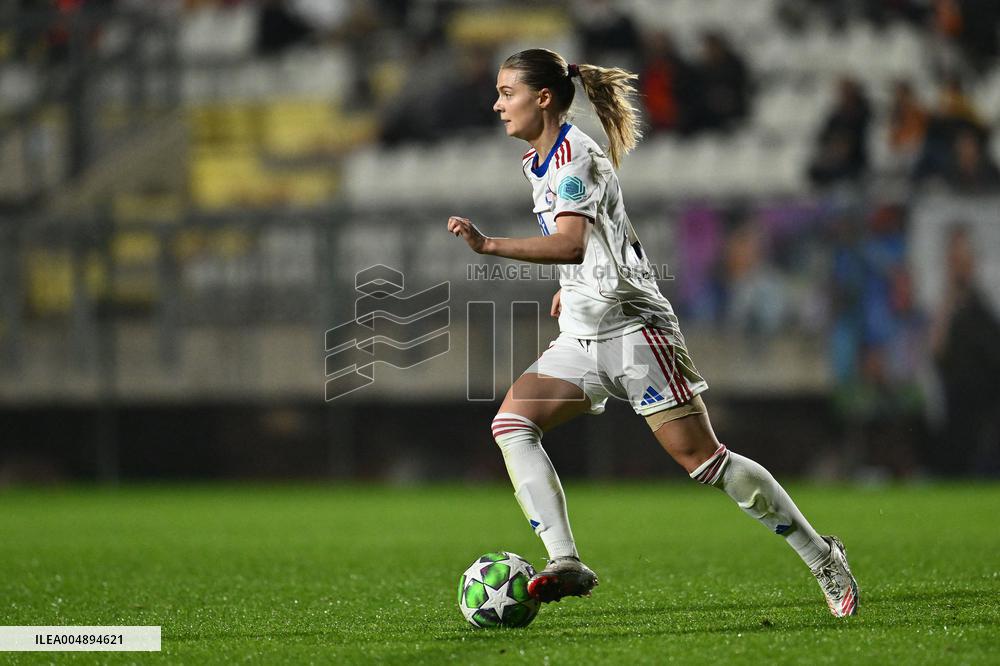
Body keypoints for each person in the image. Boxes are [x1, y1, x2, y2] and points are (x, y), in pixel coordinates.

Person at [446, 48, 859, 617]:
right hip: (583, 335)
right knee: (513, 424)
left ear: (542, 98)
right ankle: (564, 559)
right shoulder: (535, 162)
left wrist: (490, 245)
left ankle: (821, 556)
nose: (497, 105)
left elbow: (570, 240)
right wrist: (575, 284)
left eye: (506, 93)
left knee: (705, 462)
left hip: (634, 333)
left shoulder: (574, 158)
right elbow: (597, 242)